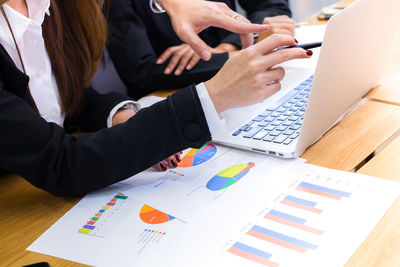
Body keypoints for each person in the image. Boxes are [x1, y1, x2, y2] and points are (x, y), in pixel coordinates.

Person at [0, 0, 310, 196]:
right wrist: (213, 96)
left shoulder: (54, 8)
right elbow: (61, 164)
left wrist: (121, 113)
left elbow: (66, 100)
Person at [106, 0, 296, 99]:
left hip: (248, 80)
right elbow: (140, 72)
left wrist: (229, 45)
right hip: (174, 96)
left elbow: (272, 7)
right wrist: (231, 56)